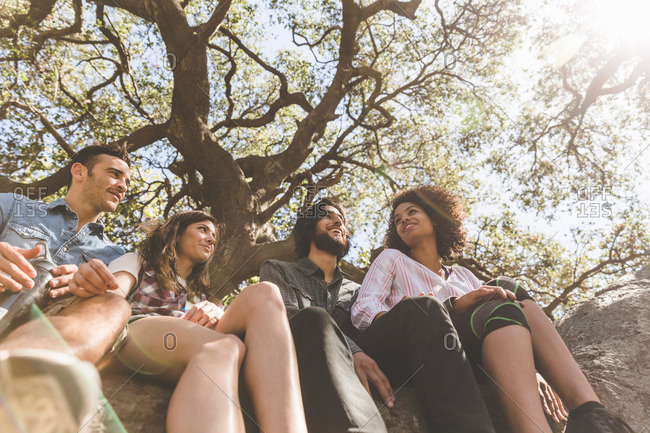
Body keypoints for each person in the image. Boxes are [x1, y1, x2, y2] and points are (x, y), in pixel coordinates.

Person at [351, 184, 635, 433]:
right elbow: (363, 309)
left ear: (435, 219)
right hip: (422, 350)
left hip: (468, 357)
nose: (404, 220)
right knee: (495, 295)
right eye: (398, 220)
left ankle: (591, 414)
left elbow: (500, 317)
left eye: (412, 212)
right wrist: (423, 310)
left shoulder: (462, 275)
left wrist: (526, 368)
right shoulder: (392, 259)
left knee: (505, 288)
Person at [73, 210, 307, 433]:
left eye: (213, 237)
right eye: (202, 230)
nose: (210, 239)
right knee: (224, 346)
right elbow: (110, 296)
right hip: (139, 333)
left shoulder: (203, 294)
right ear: (176, 234)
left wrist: (218, 313)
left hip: (191, 339)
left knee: (265, 292)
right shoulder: (138, 260)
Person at [0, 143, 133, 432]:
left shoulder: (116, 255)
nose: (122, 186)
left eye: (127, 182)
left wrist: (91, 288)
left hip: (53, 324)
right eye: (114, 174)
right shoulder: (13, 205)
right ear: (79, 171)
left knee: (115, 305)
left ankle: (25, 382)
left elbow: (119, 310)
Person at [260, 197, 389, 433]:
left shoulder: (360, 291)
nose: (338, 220)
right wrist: (352, 350)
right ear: (309, 228)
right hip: (297, 364)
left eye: (341, 219)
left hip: (349, 379)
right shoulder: (278, 269)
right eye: (328, 215)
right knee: (314, 316)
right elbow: (287, 317)